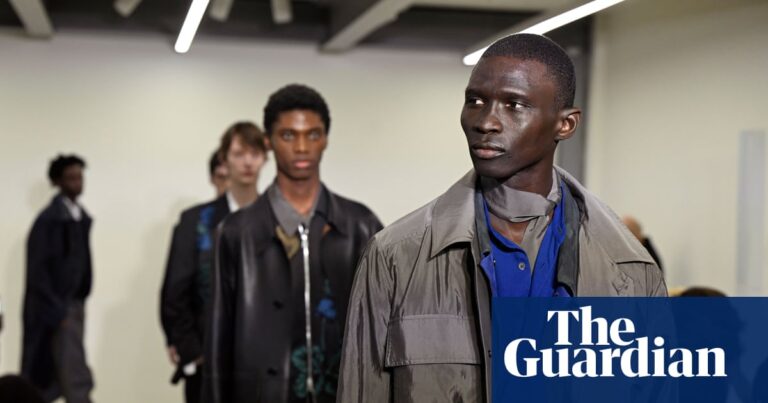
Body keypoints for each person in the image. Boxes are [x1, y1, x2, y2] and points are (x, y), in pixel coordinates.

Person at [337, 34, 667, 402]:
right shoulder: (394, 256)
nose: (486, 122)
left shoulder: (633, 272)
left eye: (514, 105)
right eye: (475, 101)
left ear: (566, 125)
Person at [203, 84, 382, 403]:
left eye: (312, 135)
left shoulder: (360, 224)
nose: (301, 147)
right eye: (288, 135)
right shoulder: (236, 232)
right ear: (269, 141)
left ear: (325, 139)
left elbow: (383, 328)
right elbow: (218, 337)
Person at [160, 122, 267, 403]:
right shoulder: (195, 220)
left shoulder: (276, 220)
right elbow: (175, 289)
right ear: (224, 158)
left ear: (265, 158)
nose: (247, 162)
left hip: (265, 362)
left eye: (254, 153)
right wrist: (192, 350)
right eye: (239, 153)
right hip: (207, 359)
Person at [22, 155, 94, 403]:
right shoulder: (49, 221)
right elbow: (37, 272)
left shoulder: (78, 218)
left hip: (73, 305)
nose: (77, 182)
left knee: (65, 372)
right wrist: (58, 311)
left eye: (79, 177)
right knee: (72, 375)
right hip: (57, 309)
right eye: (70, 178)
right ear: (58, 182)